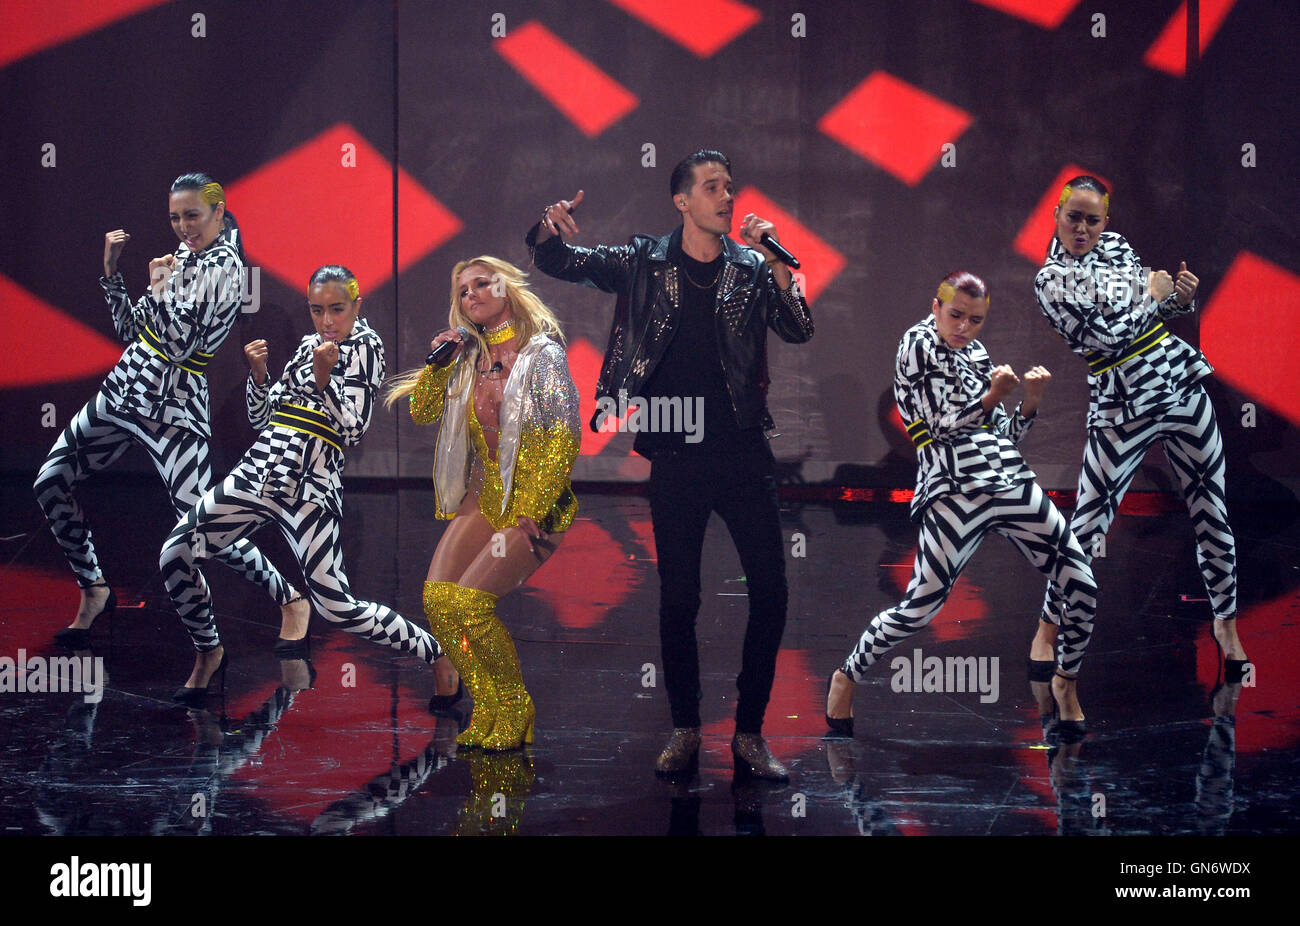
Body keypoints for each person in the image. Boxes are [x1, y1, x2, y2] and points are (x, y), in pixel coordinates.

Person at [528, 149, 814, 780]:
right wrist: (549, 228)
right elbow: (561, 262)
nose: (726, 197)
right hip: (677, 453)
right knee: (679, 597)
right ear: (682, 201)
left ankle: (748, 732)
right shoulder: (643, 261)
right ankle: (685, 727)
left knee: (771, 591)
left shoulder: (750, 267)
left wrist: (779, 262)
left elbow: (798, 330)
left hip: (743, 452)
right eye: (712, 188)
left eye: (730, 188)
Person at [33, 173, 309, 650]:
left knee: (198, 522)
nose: (183, 227)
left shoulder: (223, 267)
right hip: (125, 389)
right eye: (176, 217)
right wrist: (111, 271)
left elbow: (180, 347)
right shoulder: (186, 254)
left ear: (219, 213)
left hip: (174, 407)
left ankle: (289, 597)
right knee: (50, 481)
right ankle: (94, 587)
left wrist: (159, 286)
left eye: (193, 216)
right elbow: (132, 329)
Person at [825, 272, 1096, 738]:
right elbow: (941, 429)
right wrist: (993, 395)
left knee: (1082, 583)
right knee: (921, 608)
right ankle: (847, 675)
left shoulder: (975, 352)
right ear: (936, 307)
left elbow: (1001, 436)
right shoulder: (918, 345)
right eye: (956, 315)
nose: (965, 328)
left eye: (975, 320)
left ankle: (1066, 682)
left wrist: (1029, 402)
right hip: (953, 488)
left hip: (1010, 481)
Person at [159, 266, 444, 704]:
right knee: (176, 553)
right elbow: (262, 417)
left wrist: (324, 380)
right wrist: (258, 376)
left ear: (356, 306)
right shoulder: (311, 346)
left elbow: (353, 430)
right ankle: (208, 651)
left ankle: (435, 655)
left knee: (337, 606)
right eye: (317, 310)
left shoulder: (367, 346)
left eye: (336, 309)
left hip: (310, 486)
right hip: (259, 471)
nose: (327, 321)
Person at [1027, 176, 1249, 682]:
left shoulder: (1118, 247)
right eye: (1073, 216)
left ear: (1105, 221)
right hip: (1121, 402)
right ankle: (1046, 628)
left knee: (1211, 511)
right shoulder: (1052, 280)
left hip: (1178, 381)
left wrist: (1180, 300)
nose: (1082, 227)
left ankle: (1226, 624)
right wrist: (1152, 297)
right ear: (1057, 214)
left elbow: (1150, 316)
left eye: (1092, 219)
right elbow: (1104, 337)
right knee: (1086, 527)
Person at [384, 256, 580, 752]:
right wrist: (436, 366)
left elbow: (563, 435)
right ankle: (490, 706)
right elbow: (424, 411)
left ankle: (515, 706)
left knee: (469, 604)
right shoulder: (466, 356)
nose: (471, 294)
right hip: (485, 494)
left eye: (481, 283)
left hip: (535, 503)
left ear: (507, 288)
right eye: (463, 289)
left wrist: (534, 504)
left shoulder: (542, 355)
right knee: (438, 600)